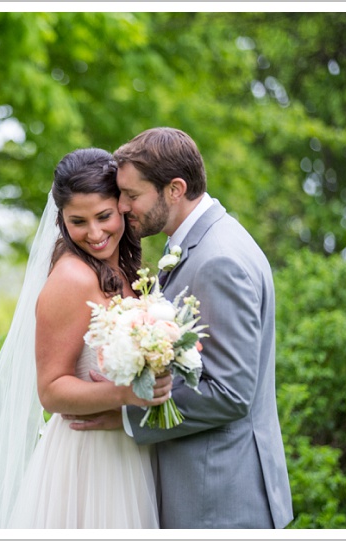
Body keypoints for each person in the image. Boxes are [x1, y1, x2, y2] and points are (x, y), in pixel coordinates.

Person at [67, 127, 294, 528]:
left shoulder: (218, 259)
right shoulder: (196, 245)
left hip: (219, 498)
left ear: (174, 189)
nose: (121, 207)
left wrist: (125, 412)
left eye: (132, 196)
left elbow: (230, 394)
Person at [0, 148, 172, 529]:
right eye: (78, 221)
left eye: (104, 216)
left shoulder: (124, 268)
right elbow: (51, 390)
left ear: (122, 205)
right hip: (90, 462)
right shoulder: (71, 278)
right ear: (61, 221)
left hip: (129, 447)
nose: (95, 233)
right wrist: (126, 395)